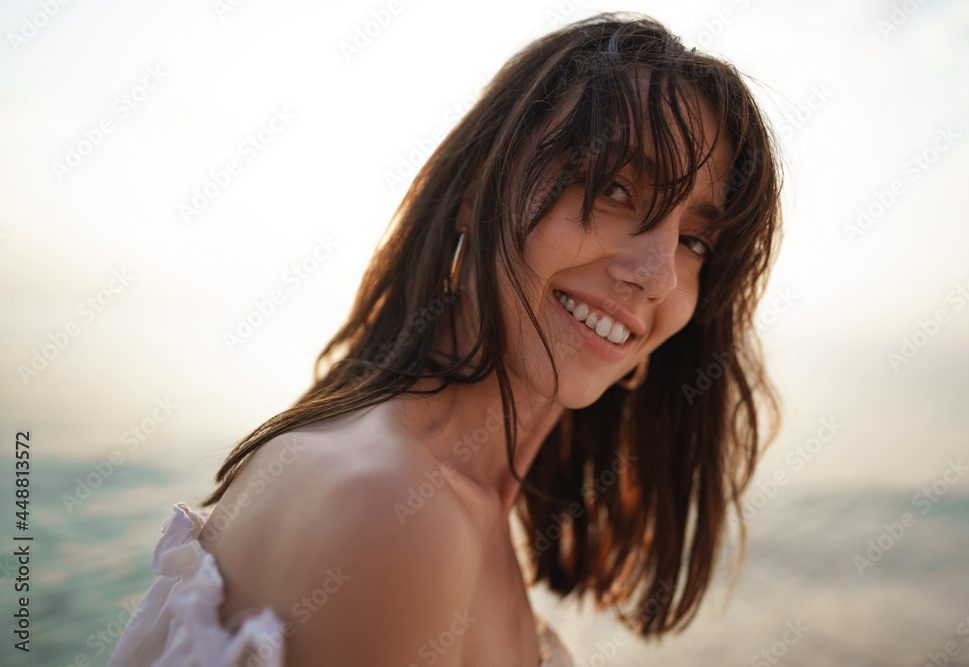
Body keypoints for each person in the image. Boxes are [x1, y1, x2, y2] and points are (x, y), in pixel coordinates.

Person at [109, 11, 782, 666]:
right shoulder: (396, 511)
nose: (657, 273)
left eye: (695, 239)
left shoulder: (447, 500)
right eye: (613, 188)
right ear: (473, 191)